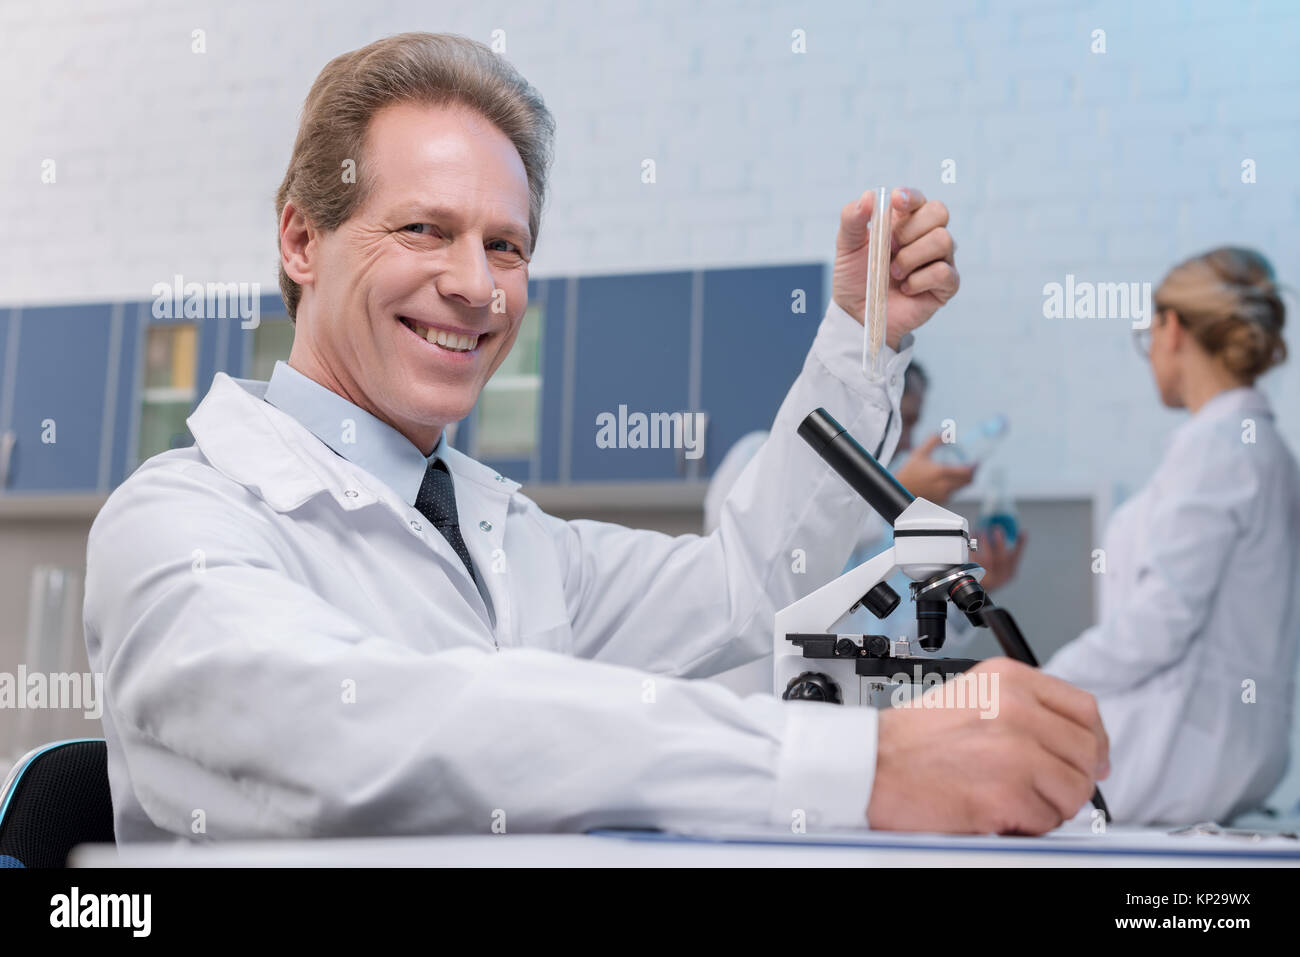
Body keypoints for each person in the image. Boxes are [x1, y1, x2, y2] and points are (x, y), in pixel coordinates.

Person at [84, 33, 1107, 842]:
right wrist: (863, 767)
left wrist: (859, 340)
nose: (476, 286)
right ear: (301, 239)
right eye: (423, 229)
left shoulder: (515, 541)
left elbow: (753, 584)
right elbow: (356, 735)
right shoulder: (178, 524)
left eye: (507, 245)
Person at [1044, 248, 1300, 826]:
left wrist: (1037, 681)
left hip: (1173, 760)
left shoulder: (1220, 447)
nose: (1151, 352)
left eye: (1149, 333)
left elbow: (1158, 627)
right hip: (1227, 759)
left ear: (1174, 329)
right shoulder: (1259, 447)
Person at [704, 360, 1025, 700]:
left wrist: (971, 595)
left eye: (911, 425)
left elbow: (897, 640)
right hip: (748, 703)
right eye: (900, 422)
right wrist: (890, 493)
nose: (907, 444)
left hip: (830, 717)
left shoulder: (893, 528)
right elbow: (768, 548)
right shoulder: (757, 456)